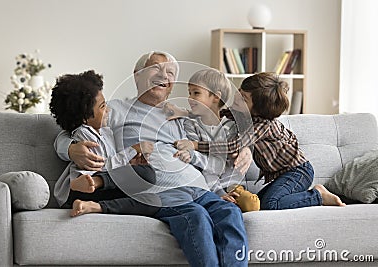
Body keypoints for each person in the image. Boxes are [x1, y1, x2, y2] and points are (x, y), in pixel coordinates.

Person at [54, 52, 251, 266]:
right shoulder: (117, 109)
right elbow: (72, 126)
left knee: (230, 212)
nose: (163, 75)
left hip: (198, 187)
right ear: (137, 75)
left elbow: (221, 130)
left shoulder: (180, 114)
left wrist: (245, 147)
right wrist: (71, 149)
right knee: (196, 217)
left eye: (170, 72)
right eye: (156, 68)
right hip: (160, 191)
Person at [50, 70, 159, 217]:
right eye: (102, 106)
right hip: (84, 187)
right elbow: (104, 166)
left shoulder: (106, 132)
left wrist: (129, 166)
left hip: (100, 190)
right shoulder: (84, 135)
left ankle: (95, 207)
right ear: (85, 118)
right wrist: (132, 150)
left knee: (153, 200)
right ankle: (96, 182)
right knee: (148, 175)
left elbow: (112, 166)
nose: (108, 110)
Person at [231, 72, 346, 210]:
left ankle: (318, 195)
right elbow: (228, 113)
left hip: (299, 172)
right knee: (259, 203)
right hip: (285, 174)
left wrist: (198, 145)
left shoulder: (263, 126)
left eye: (243, 98)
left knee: (271, 204)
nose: (236, 96)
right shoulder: (248, 117)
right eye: (239, 91)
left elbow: (234, 145)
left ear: (257, 110)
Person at [171, 68, 260, 212]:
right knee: (224, 208)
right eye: (189, 92)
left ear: (216, 97)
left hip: (231, 185)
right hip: (205, 186)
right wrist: (219, 193)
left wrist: (245, 149)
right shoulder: (191, 124)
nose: (190, 97)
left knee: (251, 205)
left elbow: (228, 163)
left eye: (196, 93)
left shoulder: (231, 126)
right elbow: (198, 164)